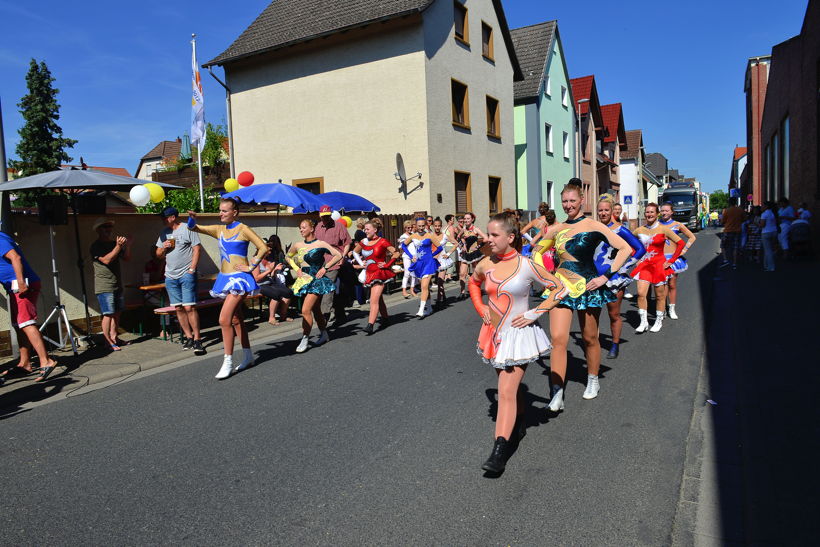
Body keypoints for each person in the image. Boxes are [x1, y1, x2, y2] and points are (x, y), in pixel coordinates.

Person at [470, 214, 566, 473]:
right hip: (494, 334)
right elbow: (473, 282)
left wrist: (536, 313)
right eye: (488, 234)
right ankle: (520, 421)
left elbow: (559, 288)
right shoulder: (485, 263)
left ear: (510, 237)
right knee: (507, 389)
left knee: (505, 392)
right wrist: (481, 309)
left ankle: (499, 452)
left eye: (494, 235)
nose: (488, 239)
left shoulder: (526, 264)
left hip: (519, 335)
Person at [539, 184, 632, 409]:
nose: (568, 205)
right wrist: (548, 278)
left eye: (572, 201)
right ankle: (557, 392)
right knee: (558, 340)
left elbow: (625, 249)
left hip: (588, 287)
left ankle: (592, 379)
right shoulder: (556, 228)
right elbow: (535, 253)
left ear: (582, 200)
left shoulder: (594, 225)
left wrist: (605, 277)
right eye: (565, 201)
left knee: (590, 337)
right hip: (561, 289)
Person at [187, 200, 266, 379]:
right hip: (225, 278)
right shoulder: (219, 230)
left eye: (224, 211)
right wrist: (192, 220)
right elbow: (195, 228)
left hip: (240, 280)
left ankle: (228, 361)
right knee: (236, 319)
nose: (220, 214)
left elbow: (262, 247)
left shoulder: (243, 229)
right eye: (220, 211)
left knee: (224, 319)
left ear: (235, 212)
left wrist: (252, 266)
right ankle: (248, 356)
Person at [0, 232, 58, 382]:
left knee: (26, 323)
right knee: (19, 325)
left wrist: (20, 282)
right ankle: (25, 363)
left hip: (22, 285)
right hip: (13, 287)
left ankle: (46, 361)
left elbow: (15, 257)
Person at [594, 195, 645, 359]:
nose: (603, 213)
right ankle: (593, 344)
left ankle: (614, 345)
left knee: (613, 314)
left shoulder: (620, 230)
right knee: (592, 315)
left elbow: (640, 249)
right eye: (600, 210)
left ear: (612, 211)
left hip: (614, 279)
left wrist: (625, 267)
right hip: (594, 278)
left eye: (606, 210)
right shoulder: (593, 228)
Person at [287, 219, 343, 353]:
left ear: (312, 229)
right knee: (316, 309)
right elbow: (288, 257)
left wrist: (325, 268)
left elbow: (338, 255)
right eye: (300, 228)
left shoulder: (320, 243)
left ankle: (305, 338)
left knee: (306, 309)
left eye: (304, 227)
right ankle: (324, 333)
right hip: (305, 280)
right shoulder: (298, 245)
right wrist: (296, 268)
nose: (301, 230)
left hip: (317, 280)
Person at [156, 206, 205, 355]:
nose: (162, 221)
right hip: (170, 276)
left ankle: (197, 339)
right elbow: (157, 254)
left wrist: (192, 270)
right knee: (178, 308)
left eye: (164, 218)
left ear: (172, 217)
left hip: (186, 274)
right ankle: (189, 337)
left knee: (190, 307)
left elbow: (197, 249)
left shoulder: (187, 228)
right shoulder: (164, 233)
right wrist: (163, 248)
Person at [631, 204, 685, 333]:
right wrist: (636, 258)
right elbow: (629, 244)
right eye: (647, 212)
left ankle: (658, 320)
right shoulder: (639, 230)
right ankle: (643, 322)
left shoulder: (663, 229)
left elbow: (680, 243)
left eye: (652, 212)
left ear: (657, 214)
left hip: (659, 265)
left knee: (660, 296)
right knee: (641, 293)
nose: (649, 214)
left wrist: (671, 261)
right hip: (645, 265)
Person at [90, 218, 132, 351]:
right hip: (104, 285)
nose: (108, 230)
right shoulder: (96, 246)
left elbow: (126, 258)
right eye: (104, 227)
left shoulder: (114, 244)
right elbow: (107, 260)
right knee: (108, 313)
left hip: (117, 284)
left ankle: (115, 337)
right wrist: (118, 246)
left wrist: (128, 246)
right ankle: (107, 341)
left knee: (117, 312)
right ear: (98, 230)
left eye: (109, 227)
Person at [352, 220, 398, 334]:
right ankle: (386, 318)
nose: (365, 231)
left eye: (367, 229)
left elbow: (396, 253)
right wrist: (361, 263)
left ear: (375, 230)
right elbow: (354, 252)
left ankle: (370, 325)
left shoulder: (382, 241)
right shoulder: (364, 242)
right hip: (369, 273)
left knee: (373, 299)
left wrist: (387, 264)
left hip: (379, 273)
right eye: (364, 229)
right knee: (378, 299)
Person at [402, 217, 447, 317]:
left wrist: (432, 255)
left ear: (426, 225)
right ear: (416, 226)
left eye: (423, 226)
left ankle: (421, 310)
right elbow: (403, 246)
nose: (421, 228)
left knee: (424, 287)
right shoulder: (413, 236)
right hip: (419, 264)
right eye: (419, 226)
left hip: (429, 263)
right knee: (425, 287)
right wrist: (411, 256)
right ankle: (430, 308)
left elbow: (439, 247)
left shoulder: (429, 236)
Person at [314, 205, 352, 325]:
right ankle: (340, 313)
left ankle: (324, 316)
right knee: (330, 289)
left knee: (328, 286)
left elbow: (347, 242)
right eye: (323, 216)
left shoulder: (338, 226)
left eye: (327, 216)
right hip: (319, 260)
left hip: (334, 259)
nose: (325, 218)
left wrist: (343, 256)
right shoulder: (318, 227)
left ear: (330, 215)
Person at [659, 202, 696, 320]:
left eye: (666, 211)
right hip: (660, 259)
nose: (664, 213)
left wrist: (683, 251)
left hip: (673, 259)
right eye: (662, 210)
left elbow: (692, 237)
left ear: (672, 212)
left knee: (672, 284)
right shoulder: (657, 224)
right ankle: (662, 308)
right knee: (661, 285)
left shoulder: (677, 225)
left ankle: (672, 308)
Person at [253, 235, 294, 325]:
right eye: (268, 248)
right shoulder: (256, 260)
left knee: (288, 292)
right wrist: (269, 270)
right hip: (259, 285)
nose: (270, 250)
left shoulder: (268, 259)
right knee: (275, 294)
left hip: (270, 282)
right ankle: (271, 318)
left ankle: (283, 315)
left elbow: (270, 275)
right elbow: (256, 278)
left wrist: (275, 270)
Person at [457, 212, 487, 299]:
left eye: (468, 219)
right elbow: (459, 237)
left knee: (476, 273)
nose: (466, 220)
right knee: (462, 274)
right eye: (465, 219)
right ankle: (462, 292)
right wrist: (463, 245)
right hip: (465, 254)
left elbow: (486, 238)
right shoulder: (463, 229)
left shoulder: (476, 229)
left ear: (472, 219)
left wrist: (478, 247)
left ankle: (477, 289)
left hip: (474, 254)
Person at [431, 218, 453, 308]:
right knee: (438, 280)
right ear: (433, 226)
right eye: (435, 226)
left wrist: (448, 253)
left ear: (441, 226)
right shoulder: (430, 235)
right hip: (434, 260)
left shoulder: (445, 236)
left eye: (439, 226)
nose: (437, 227)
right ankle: (443, 297)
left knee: (440, 281)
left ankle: (439, 301)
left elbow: (456, 243)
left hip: (443, 260)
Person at [720, 199, 744, 269]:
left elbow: (722, 222)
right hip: (737, 231)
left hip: (728, 230)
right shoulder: (740, 210)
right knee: (735, 247)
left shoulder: (727, 211)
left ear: (729, 203)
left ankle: (725, 260)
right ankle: (734, 263)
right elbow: (744, 219)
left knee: (723, 245)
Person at [397, 220, 417, 298]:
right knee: (407, 273)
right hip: (407, 257)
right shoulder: (403, 236)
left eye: (411, 227)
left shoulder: (413, 235)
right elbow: (402, 247)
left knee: (414, 274)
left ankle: (412, 290)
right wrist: (411, 256)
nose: (410, 229)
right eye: (408, 228)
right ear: (405, 228)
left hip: (414, 257)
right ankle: (404, 290)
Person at [760, 201, 779, 272]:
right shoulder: (772, 213)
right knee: (769, 249)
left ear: (766, 206)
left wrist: (756, 223)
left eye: (763, 206)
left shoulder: (764, 214)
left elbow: (762, 225)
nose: (761, 207)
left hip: (766, 232)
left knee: (768, 251)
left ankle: (771, 267)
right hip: (774, 232)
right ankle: (766, 265)